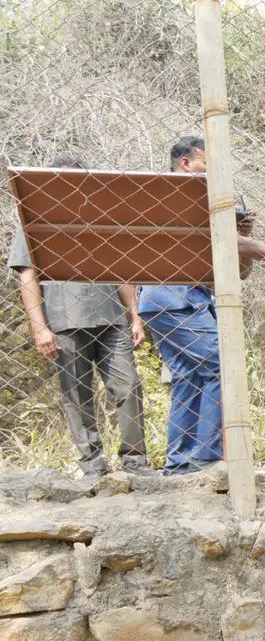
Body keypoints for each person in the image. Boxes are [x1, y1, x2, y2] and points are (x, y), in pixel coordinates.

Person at [139, 136, 265, 475]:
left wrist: (241, 231)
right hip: (174, 297)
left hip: (177, 299)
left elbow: (240, 272)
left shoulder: (203, 201)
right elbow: (228, 240)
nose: (214, 171)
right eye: (208, 163)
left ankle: (180, 463)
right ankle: (207, 458)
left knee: (189, 378)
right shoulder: (176, 196)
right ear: (186, 163)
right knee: (219, 364)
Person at [8, 155, 158, 479]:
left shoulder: (103, 217)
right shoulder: (35, 220)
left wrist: (135, 316)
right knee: (76, 395)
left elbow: (123, 271)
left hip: (112, 318)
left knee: (129, 387)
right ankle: (92, 465)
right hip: (65, 321)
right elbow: (27, 276)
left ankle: (135, 463)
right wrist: (39, 328)